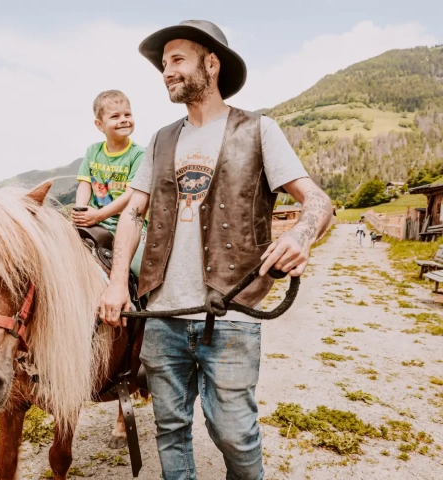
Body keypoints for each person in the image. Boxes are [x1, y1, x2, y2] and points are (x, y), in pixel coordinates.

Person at [97, 20, 334, 480]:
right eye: (163, 65)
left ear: (211, 62)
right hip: (161, 315)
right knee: (169, 428)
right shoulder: (161, 139)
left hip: (232, 313)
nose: (166, 71)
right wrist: (115, 284)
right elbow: (132, 213)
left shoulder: (260, 130)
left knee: (233, 433)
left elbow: (318, 201)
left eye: (177, 59)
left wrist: (299, 236)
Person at [72, 90, 147, 276]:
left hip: (128, 222)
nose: (124, 119)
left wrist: (99, 215)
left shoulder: (138, 154)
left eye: (127, 114)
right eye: (115, 116)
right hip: (94, 220)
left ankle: (146, 303)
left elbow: (131, 194)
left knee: (143, 268)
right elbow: (85, 184)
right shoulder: (93, 151)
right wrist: (81, 211)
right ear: (100, 125)